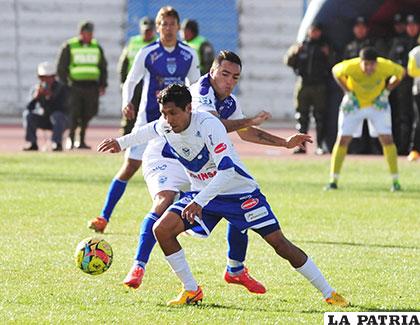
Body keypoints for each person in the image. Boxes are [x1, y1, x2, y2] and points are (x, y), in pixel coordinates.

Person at [97, 83, 349, 307]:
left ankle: (329, 293)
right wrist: (120, 143)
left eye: (173, 113)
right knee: (162, 230)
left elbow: (227, 171)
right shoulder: (166, 125)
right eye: (164, 113)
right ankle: (191, 290)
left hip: (239, 192)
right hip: (203, 194)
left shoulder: (209, 125)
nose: (168, 119)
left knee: (280, 245)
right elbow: (147, 131)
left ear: (188, 109)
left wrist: (198, 201)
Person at [119, 50, 286, 292]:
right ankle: (138, 265)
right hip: (167, 153)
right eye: (224, 74)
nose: (229, 81)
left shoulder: (229, 102)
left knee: (238, 194)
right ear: (212, 72)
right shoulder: (199, 94)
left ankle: (235, 270)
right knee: (164, 201)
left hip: (197, 160)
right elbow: (216, 124)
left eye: (235, 77)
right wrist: (249, 120)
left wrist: (284, 143)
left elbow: (244, 132)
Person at [88, 7, 200, 233]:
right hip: (148, 119)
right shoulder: (148, 53)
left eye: (172, 24)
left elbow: (196, 87)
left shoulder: (189, 54)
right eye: (164, 24)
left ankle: (180, 217)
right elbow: (131, 80)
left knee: (187, 167)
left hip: (176, 126)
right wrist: (126, 102)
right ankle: (104, 217)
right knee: (129, 167)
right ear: (158, 27)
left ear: (178, 27)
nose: (168, 29)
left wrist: (194, 115)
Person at [325, 47, 405, 192]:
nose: (369, 68)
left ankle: (395, 181)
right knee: (342, 139)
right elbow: (335, 72)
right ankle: (333, 180)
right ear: (360, 62)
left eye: (372, 64)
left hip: (377, 105)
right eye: (366, 64)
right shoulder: (350, 66)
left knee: (387, 139)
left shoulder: (385, 65)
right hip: (354, 104)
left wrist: (386, 92)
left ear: (376, 63)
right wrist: (348, 93)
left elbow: (401, 72)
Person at [57, 21, 108, 149]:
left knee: (89, 112)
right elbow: (61, 67)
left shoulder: (96, 47)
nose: (89, 35)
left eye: (91, 33)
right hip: (75, 86)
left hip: (92, 86)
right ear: (80, 33)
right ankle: (72, 138)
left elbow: (103, 67)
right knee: (74, 113)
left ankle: (82, 140)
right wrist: (66, 85)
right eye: (86, 33)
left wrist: (103, 84)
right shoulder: (70, 46)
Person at [285, 22, 333, 154]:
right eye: (313, 30)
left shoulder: (324, 46)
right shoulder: (302, 46)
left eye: (317, 31)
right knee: (302, 116)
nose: (315, 33)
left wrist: (328, 54)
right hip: (304, 84)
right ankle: (301, 146)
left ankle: (320, 146)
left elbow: (333, 64)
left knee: (320, 117)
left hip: (319, 85)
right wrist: (294, 52)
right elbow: (288, 61)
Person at [343, 16, 383, 155]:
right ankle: (356, 148)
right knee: (355, 120)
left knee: (374, 120)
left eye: (362, 27)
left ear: (366, 29)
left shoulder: (372, 46)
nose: (360, 30)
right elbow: (342, 69)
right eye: (357, 27)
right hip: (354, 90)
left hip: (372, 89)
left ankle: (374, 148)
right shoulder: (350, 46)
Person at [117, 17, 158, 135]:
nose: (148, 33)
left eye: (150, 30)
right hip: (135, 82)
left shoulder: (158, 43)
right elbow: (123, 63)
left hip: (151, 83)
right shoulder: (133, 42)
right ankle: (126, 135)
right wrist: (123, 82)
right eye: (145, 30)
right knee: (130, 108)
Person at [388, 14, 418, 155]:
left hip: (417, 83)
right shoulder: (399, 41)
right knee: (403, 116)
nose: (412, 28)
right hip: (403, 85)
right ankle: (403, 147)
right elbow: (391, 61)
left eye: (415, 25)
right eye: (409, 25)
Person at [23, 62, 69, 151]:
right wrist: (35, 98)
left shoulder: (62, 88)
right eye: (42, 77)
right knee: (28, 115)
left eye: (48, 77)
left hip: (61, 121)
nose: (45, 80)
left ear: (53, 77)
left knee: (57, 115)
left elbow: (65, 108)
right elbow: (28, 108)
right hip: (45, 119)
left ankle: (56, 143)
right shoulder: (36, 88)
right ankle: (32, 143)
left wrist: (50, 97)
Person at [407, 45, 420, 161]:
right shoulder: (416, 52)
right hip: (419, 91)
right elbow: (411, 71)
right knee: (418, 120)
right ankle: (415, 150)